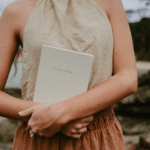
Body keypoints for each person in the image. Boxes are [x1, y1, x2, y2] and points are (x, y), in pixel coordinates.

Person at [0, 0, 137, 149]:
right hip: (39, 134)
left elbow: (128, 77)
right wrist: (43, 117)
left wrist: (60, 114)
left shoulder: (109, 3)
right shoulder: (15, 11)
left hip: (96, 136)